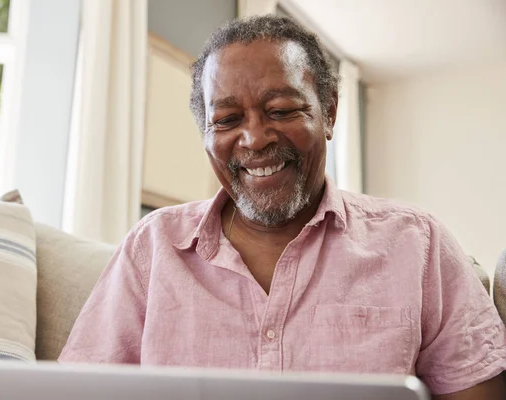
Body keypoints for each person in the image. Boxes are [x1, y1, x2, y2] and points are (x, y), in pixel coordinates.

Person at [59, 15, 506, 399]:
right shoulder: (151, 248)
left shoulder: (419, 245)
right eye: (228, 120)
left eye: (281, 110)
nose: (255, 139)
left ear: (328, 112)